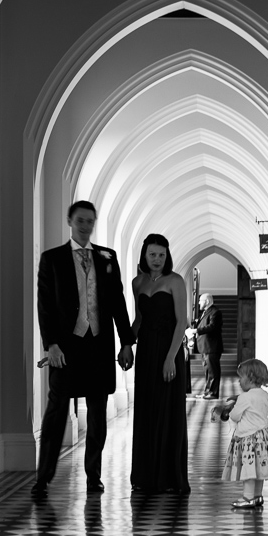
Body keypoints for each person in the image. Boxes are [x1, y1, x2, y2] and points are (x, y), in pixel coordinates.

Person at [33, 200, 134, 498]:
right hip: (65, 349)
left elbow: (117, 302)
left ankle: (94, 477)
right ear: (70, 221)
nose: (85, 226)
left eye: (90, 221)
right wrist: (51, 345)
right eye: (80, 220)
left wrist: (126, 342)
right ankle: (43, 478)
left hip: (98, 347)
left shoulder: (107, 257)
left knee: (97, 414)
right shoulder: (52, 259)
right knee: (56, 412)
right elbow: (45, 306)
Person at [130, 234, 191, 494]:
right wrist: (125, 345)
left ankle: (169, 477)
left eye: (162, 255)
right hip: (145, 352)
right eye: (153, 254)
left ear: (167, 256)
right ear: (145, 255)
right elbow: (138, 320)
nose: (157, 259)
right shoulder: (138, 282)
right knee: (146, 410)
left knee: (169, 412)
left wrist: (170, 358)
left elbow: (182, 322)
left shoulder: (175, 281)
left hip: (169, 351)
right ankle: (144, 476)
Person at [214, 358, 268, 509]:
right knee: (260, 468)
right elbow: (254, 404)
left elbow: (235, 416)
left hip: (248, 439)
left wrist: (231, 408)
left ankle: (248, 497)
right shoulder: (264, 395)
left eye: (241, 377)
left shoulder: (245, 397)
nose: (239, 381)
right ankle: (258, 496)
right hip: (263, 439)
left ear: (250, 377)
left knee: (248, 469)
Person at [195, 293, 223, 398]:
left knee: (213, 371)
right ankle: (207, 392)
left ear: (207, 301)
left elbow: (212, 327)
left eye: (200, 300)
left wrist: (196, 330)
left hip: (212, 347)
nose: (199, 303)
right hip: (205, 347)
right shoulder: (206, 312)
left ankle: (213, 393)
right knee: (207, 372)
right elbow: (202, 323)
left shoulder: (216, 312)